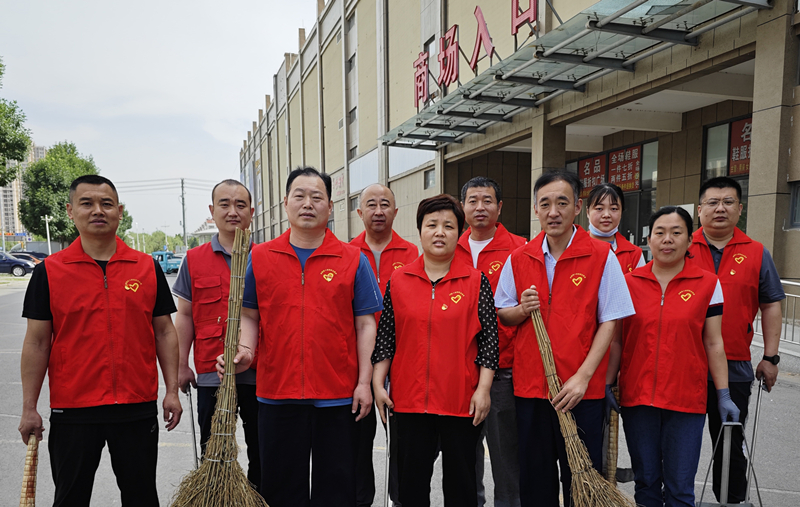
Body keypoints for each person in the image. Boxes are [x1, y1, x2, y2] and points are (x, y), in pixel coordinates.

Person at [217, 167, 383, 507]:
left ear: (331, 206)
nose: (308, 204)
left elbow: (366, 324)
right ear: (285, 203)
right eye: (300, 196)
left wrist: (364, 383)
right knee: (280, 488)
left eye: (317, 197)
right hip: (277, 393)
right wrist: (245, 351)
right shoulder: (261, 258)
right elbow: (249, 314)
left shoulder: (353, 259)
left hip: (337, 395)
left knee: (336, 488)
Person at [18, 174, 182, 506]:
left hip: (136, 408)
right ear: (70, 211)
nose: (98, 210)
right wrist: (29, 408)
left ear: (119, 211)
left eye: (106, 204)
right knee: (70, 498)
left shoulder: (146, 268)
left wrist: (172, 390)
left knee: (141, 498)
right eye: (87, 203)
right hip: (74, 409)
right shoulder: (49, 272)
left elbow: (165, 331)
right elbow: (36, 342)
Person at [494, 171, 635, 507]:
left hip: (580, 391)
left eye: (562, 203)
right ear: (536, 209)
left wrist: (584, 378)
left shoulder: (601, 256)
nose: (553, 211)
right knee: (535, 480)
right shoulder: (520, 258)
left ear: (576, 208)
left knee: (580, 480)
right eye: (545, 204)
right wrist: (522, 310)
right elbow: (503, 313)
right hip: (531, 389)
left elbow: (611, 320)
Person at [372, 194, 499, 507]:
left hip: (460, 402)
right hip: (410, 403)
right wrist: (377, 383)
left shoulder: (475, 280)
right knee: (411, 489)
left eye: (449, 226)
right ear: (420, 231)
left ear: (459, 233)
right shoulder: (399, 280)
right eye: (432, 225)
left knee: (462, 488)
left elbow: (489, 341)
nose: (440, 232)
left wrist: (483, 390)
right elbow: (387, 335)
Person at [607, 206, 739, 507]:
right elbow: (617, 341)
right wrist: (607, 383)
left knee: (680, 487)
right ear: (649, 240)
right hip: (638, 399)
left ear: (689, 240)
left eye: (676, 233)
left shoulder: (708, 284)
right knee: (647, 482)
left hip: (686, 400)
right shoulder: (629, 283)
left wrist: (723, 394)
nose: (668, 240)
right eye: (660, 233)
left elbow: (714, 342)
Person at [687, 176, 785, 503]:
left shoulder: (757, 253)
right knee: (675, 443)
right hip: (683, 364)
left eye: (728, 202)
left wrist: (770, 358)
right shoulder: (681, 247)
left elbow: (771, 305)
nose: (720, 208)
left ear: (739, 209)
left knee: (730, 445)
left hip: (735, 366)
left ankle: (730, 500)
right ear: (699, 209)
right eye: (712, 202)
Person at [172, 179, 260, 488]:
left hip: (259, 374)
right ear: (212, 211)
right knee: (213, 451)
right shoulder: (194, 260)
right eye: (224, 204)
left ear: (252, 211)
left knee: (263, 451)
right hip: (211, 372)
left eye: (240, 205)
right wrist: (181, 366)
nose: (232, 211)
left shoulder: (266, 258)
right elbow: (184, 317)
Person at [454, 176, 525, 507]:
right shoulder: (450, 248)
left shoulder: (521, 250)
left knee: (506, 461)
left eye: (487, 200)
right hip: (458, 372)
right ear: (463, 206)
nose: (479, 207)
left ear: (499, 207)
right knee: (464, 462)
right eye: (472, 200)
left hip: (503, 372)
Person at [350, 183, 418, 507]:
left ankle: (398, 500)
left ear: (395, 211)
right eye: (371, 205)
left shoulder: (412, 255)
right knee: (358, 443)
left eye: (385, 204)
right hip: (357, 366)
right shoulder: (346, 254)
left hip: (400, 363)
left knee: (401, 444)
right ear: (360, 212)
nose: (379, 211)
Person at [586, 183, 645, 272]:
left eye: (613, 209)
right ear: (587, 212)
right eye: (599, 208)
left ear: (621, 212)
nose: (606, 215)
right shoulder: (571, 248)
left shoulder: (634, 254)